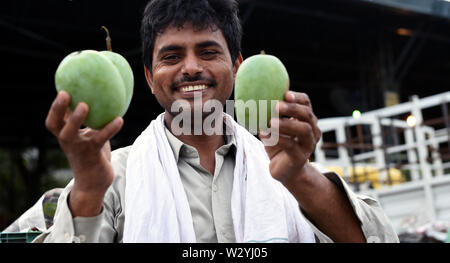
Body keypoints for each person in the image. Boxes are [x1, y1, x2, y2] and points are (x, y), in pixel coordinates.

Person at [36, 0, 398, 243]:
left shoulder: (281, 164)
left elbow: (379, 237)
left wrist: (300, 178)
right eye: (172, 56)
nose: (191, 67)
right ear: (149, 76)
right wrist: (87, 189)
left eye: (208, 52)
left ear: (237, 66)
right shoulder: (112, 177)